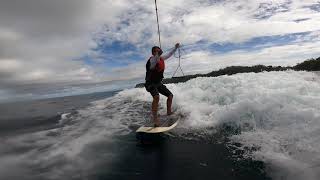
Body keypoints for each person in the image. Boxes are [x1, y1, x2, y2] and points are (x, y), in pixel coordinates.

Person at [145, 43, 180, 127]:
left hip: (158, 83)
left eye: (158, 51)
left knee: (170, 95)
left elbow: (169, 54)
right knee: (156, 97)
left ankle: (169, 112)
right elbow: (155, 60)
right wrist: (158, 54)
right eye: (156, 51)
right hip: (150, 83)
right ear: (153, 53)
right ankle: (155, 118)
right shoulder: (151, 60)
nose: (158, 52)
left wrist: (175, 47)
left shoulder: (161, 58)